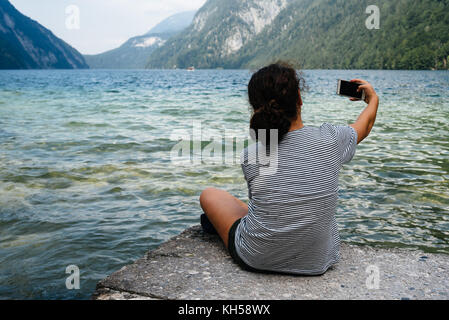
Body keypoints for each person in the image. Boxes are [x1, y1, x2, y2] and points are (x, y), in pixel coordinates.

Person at [200, 62, 379, 275]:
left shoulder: (251, 155)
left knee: (209, 195)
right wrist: (372, 100)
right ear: (299, 100)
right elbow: (365, 125)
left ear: (256, 108)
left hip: (257, 257)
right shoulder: (332, 139)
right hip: (317, 262)